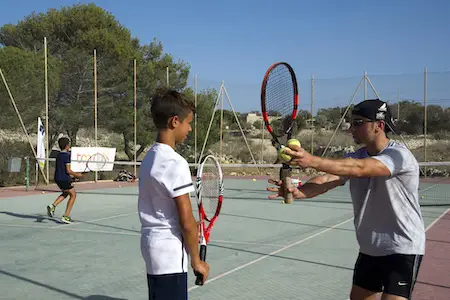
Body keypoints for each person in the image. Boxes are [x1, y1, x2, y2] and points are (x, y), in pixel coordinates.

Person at [267, 99, 425, 300]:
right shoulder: (356, 156)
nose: (352, 129)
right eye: (351, 123)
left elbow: (359, 169)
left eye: (359, 123)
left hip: (402, 247)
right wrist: (300, 191)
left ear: (379, 125)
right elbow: (327, 179)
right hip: (370, 247)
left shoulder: (399, 156)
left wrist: (311, 160)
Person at [138, 89, 209, 300]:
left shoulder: (149, 158)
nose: (190, 129)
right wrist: (196, 260)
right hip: (169, 252)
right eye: (188, 123)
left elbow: (164, 207)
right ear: (175, 121)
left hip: (151, 245)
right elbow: (186, 220)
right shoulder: (175, 162)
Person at [46, 137, 83, 224]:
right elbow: (68, 170)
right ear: (67, 145)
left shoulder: (58, 155)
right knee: (73, 195)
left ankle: (53, 205)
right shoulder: (66, 156)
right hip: (63, 179)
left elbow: (62, 169)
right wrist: (78, 175)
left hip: (58, 178)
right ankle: (66, 216)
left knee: (66, 193)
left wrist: (72, 177)